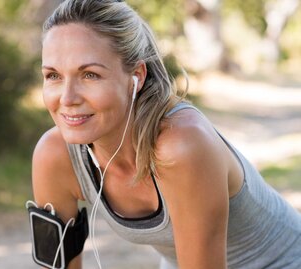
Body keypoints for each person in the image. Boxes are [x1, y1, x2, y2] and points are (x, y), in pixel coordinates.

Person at [31, 0, 301, 268]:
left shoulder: (181, 145)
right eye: (53, 76)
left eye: (90, 75)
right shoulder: (55, 156)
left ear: (136, 76)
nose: (67, 98)